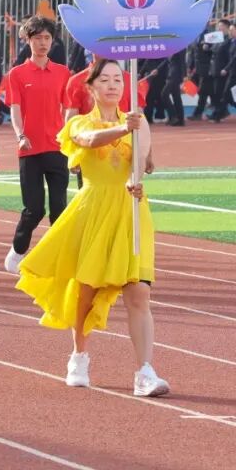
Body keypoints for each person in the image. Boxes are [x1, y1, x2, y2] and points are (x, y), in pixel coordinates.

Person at [16, 58, 169, 397]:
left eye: (118, 79)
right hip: (94, 209)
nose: (113, 85)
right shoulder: (78, 123)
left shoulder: (140, 123)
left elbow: (141, 163)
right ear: (92, 87)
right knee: (87, 291)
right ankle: (79, 355)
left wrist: (137, 182)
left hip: (131, 209)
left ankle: (144, 371)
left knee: (139, 293)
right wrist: (121, 129)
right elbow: (87, 141)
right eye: (105, 80)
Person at [4, 15, 71, 275]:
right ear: (27, 40)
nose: (43, 43)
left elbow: (68, 109)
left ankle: (56, 258)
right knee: (34, 209)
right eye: (37, 38)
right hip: (30, 150)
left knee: (59, 210)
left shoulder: (63, 73)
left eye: (47, 38)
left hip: (57, 148)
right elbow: (15, 109)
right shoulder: (17, 74)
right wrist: (21, 134)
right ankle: (17, 251)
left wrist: (68, 135)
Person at [208, 19, 233, 122]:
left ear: (227, 27)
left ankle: (217, 114)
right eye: (218, 26)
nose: (219, 28)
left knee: (222, 94)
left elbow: (230, 57)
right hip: (215, 69)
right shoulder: (218, 38)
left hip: (224, 70)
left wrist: (226, 69)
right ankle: (221, 112)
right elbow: (213, 51)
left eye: (221, 26)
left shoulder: (229, 40)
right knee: (217, 93)